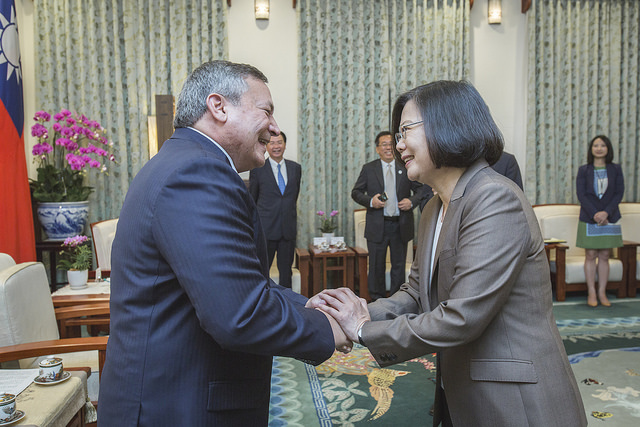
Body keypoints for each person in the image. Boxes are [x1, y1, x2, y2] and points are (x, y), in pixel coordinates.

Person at [311, 81, 586, 426]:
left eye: (406, 131)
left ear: (447, 125)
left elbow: (462, 317)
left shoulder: (493, 197)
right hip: (462, 387)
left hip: (514, 398)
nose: (399, 145)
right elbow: (416, 293)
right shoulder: (433, 207)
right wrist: (350, 313)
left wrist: (363, 329)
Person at [98, 60, 350, 426]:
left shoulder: (184, 161)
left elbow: (239, 283)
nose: (274, 127)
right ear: (219, 107)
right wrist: (327, 327)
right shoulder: (198, 173)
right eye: (266, 111)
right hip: (175, 406)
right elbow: (239, 315)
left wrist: (308, 304)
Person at [352, 131, 431, 301]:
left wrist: (411, 201)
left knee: (398, 266)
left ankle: (397, 302)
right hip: (377, 225)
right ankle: (376, 301)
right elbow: (356, 192)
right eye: (384, 144)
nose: (388, 147)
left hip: (400, 224)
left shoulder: (405, 166)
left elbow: (421, 190)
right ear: (377, 149)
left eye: (390, 144)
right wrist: (371, 201)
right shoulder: (369, 169)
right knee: (376, 266)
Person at [576, 135, 624, 307]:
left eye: (602, 145)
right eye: (595, 145)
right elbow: (581, 194)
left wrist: (606, 212)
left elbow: (619, 193)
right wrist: (595, 213)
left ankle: (602, 292)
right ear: (591, 149)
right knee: (590, 255)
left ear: (608, 148)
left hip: (610, 217)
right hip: (589, 217)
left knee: (604, 255)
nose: (599, 148)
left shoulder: (616, 169)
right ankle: (591, 292)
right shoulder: (584, 170)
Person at [249, 131, 301, 288]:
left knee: (286, 273)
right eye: (272, 143)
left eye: (279, 142)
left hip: (288, 229)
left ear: (284, 145)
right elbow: (252, 200)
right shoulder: (258, 169)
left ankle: (288, 301)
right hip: (266, 230)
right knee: (262, 272)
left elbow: (293, 197)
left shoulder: (295, 168)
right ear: (266, 146)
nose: (276, 146)